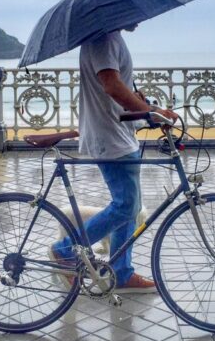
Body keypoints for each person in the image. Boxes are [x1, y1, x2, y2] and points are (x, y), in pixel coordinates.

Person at [50, 23, 178, 293]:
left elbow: (120, 90)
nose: (140, 19)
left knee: (130, 207)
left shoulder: (111, 37)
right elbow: (111, 85)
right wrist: (149, 113)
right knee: (125, 206)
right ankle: (65, 250)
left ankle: (121, 272)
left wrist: (150, 108)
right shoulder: (104, 37)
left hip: (119, 135)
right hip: (110, 137)